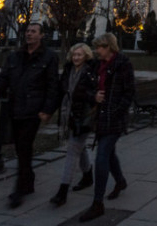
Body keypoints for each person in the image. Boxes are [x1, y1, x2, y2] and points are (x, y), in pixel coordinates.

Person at [0, 23, 59, 208]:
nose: (29, 34)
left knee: (24, 147)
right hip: (16, 108)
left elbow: (52, 85)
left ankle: (19, 190)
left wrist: (48, 109)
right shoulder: (15, 56)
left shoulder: (49, 57)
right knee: (20, 147)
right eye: (28, 31)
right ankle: (29, 180)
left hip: (33, 110)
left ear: (41, 35)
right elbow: (2, 80)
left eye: (33, 31)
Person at [79, 33, 136, 222]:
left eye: (100, 47)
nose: (96, 50)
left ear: (109, 47)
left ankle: (97, 203)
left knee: (102, 155)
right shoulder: (96, 65)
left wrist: (118, 111)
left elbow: (129, 93)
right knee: (109, 154)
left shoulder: (123, 64)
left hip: (114, 118)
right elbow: (84, 87)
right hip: (100, 117)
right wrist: (93, 96)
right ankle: (120, 181)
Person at [50, 43, 97, 207]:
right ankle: (88, 174)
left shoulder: (90, 72)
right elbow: (61, 90)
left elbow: (93, 93)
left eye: (80, 55)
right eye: (74, 54)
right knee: (79, 147)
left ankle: (62, 191)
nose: (77, 57)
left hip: (83, 116)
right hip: (69, 113)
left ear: (86, 56)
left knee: (72, 150)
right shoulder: (69, 69)